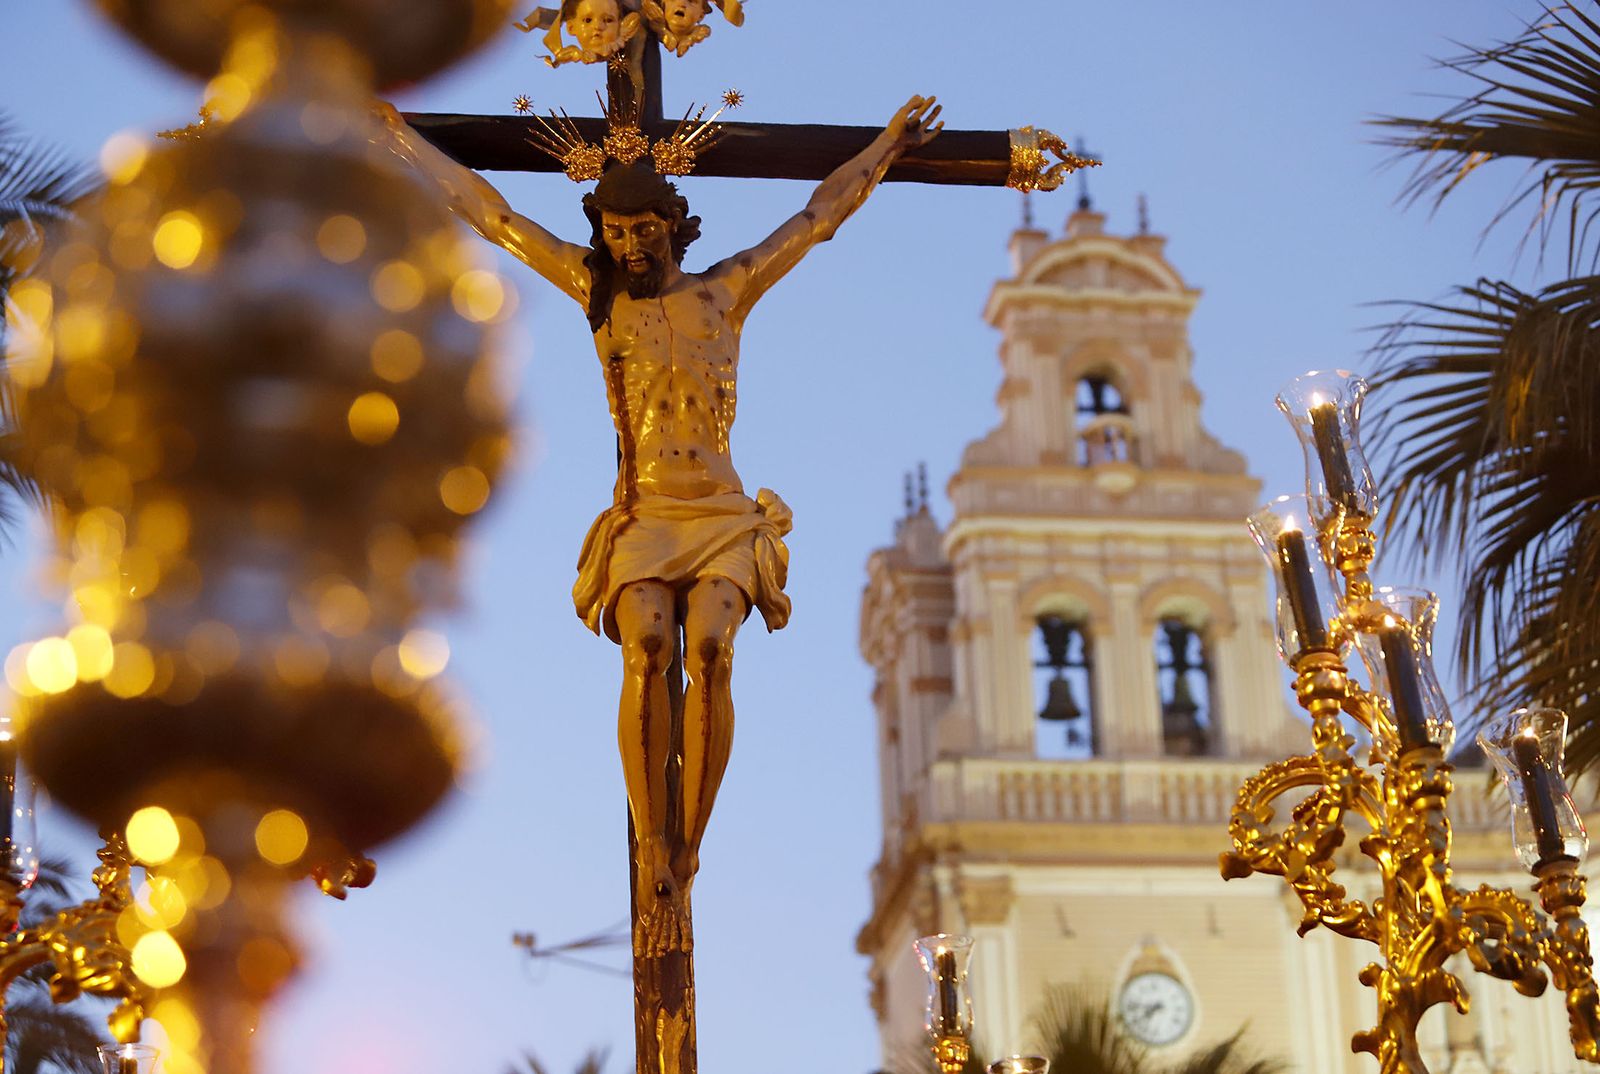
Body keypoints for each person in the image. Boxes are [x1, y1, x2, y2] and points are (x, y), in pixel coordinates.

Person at [375, 95, 943, 949]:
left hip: (716, 510)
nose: (629, 246)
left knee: (710, 644)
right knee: (646, 641)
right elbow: (489, 213)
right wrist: (397, 139)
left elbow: (818, 217)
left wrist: (889, 147)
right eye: (615, 233)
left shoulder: (727, 292)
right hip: (643, 512)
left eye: (644, 230)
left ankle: (691, 843)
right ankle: (652, 838)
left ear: (675, 227)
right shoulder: (601, 301)